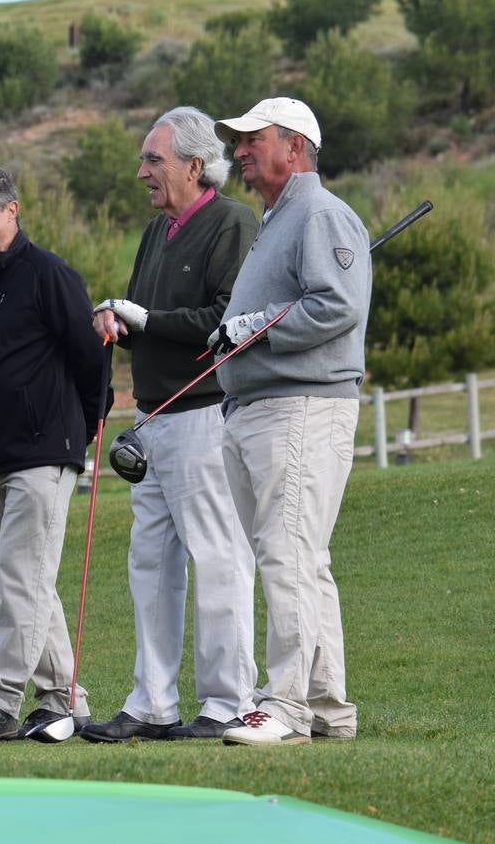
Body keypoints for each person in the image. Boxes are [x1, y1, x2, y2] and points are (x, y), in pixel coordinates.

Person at [84, 107, 259, 744]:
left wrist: (145, 318)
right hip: (152, 418)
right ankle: (152, 702)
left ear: (193, 164)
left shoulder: (233, 222)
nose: (142, 173)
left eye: (153, 161)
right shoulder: (156, 231)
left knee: (219, 560)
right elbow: (151, 320)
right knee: (150, 564)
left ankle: (227, 704)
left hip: (205, 417)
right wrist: (119, 321)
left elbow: (224, 321)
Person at [209, 97, 370, 746]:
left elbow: (336, 308)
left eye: (253, 139)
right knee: (301, 558)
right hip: (259, 409)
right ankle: (328, 707)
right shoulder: (281, 219)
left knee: (288, 557)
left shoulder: (320, 213)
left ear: (295, 147)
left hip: (299, 408)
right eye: (238, 141)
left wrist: (257, 329)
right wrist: (244, 332)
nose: (241, 151)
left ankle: (287, 707)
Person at [0, 166, 108, 743]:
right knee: (26, 582)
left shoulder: (49, 275)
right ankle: (65, 699)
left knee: (23, 576)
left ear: (12, 209)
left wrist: (80, 429)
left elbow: (92, 358)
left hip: (44, 451)